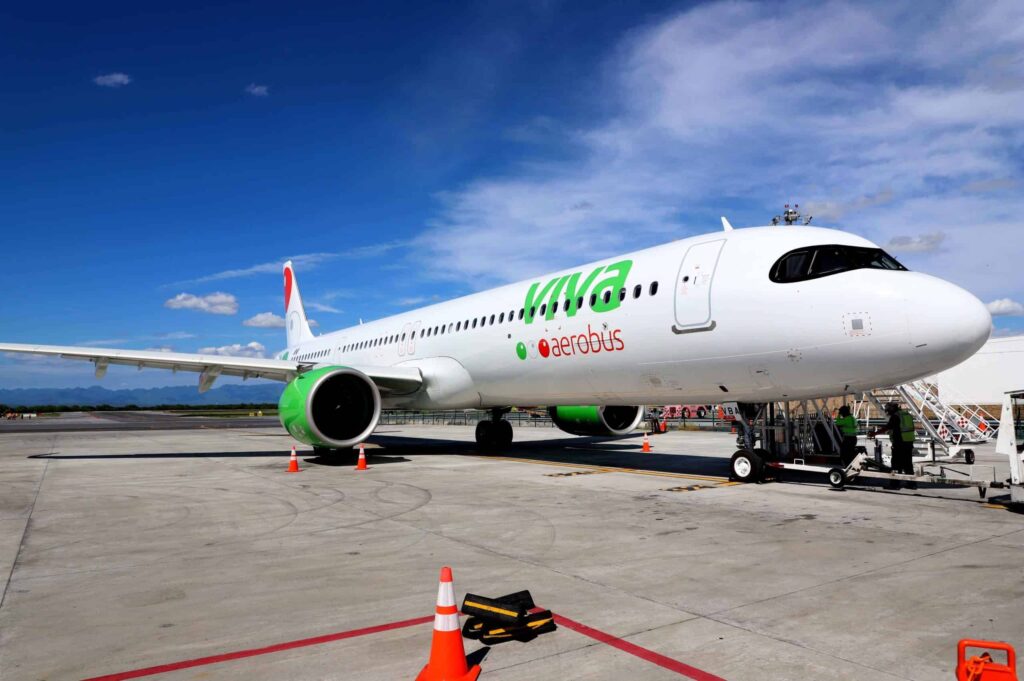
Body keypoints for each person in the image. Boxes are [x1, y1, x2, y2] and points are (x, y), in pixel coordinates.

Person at [871, 402, 917, 489]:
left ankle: (895, 484)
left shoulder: (896, 416)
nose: (887, 412)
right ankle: (912, 484)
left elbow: (888, 427)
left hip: (900, 443)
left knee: (896, 464)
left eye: (888, 410)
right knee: (908, 464)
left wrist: (874, 433)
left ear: (891, 409)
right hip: (909, 442)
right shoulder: (907, 415)